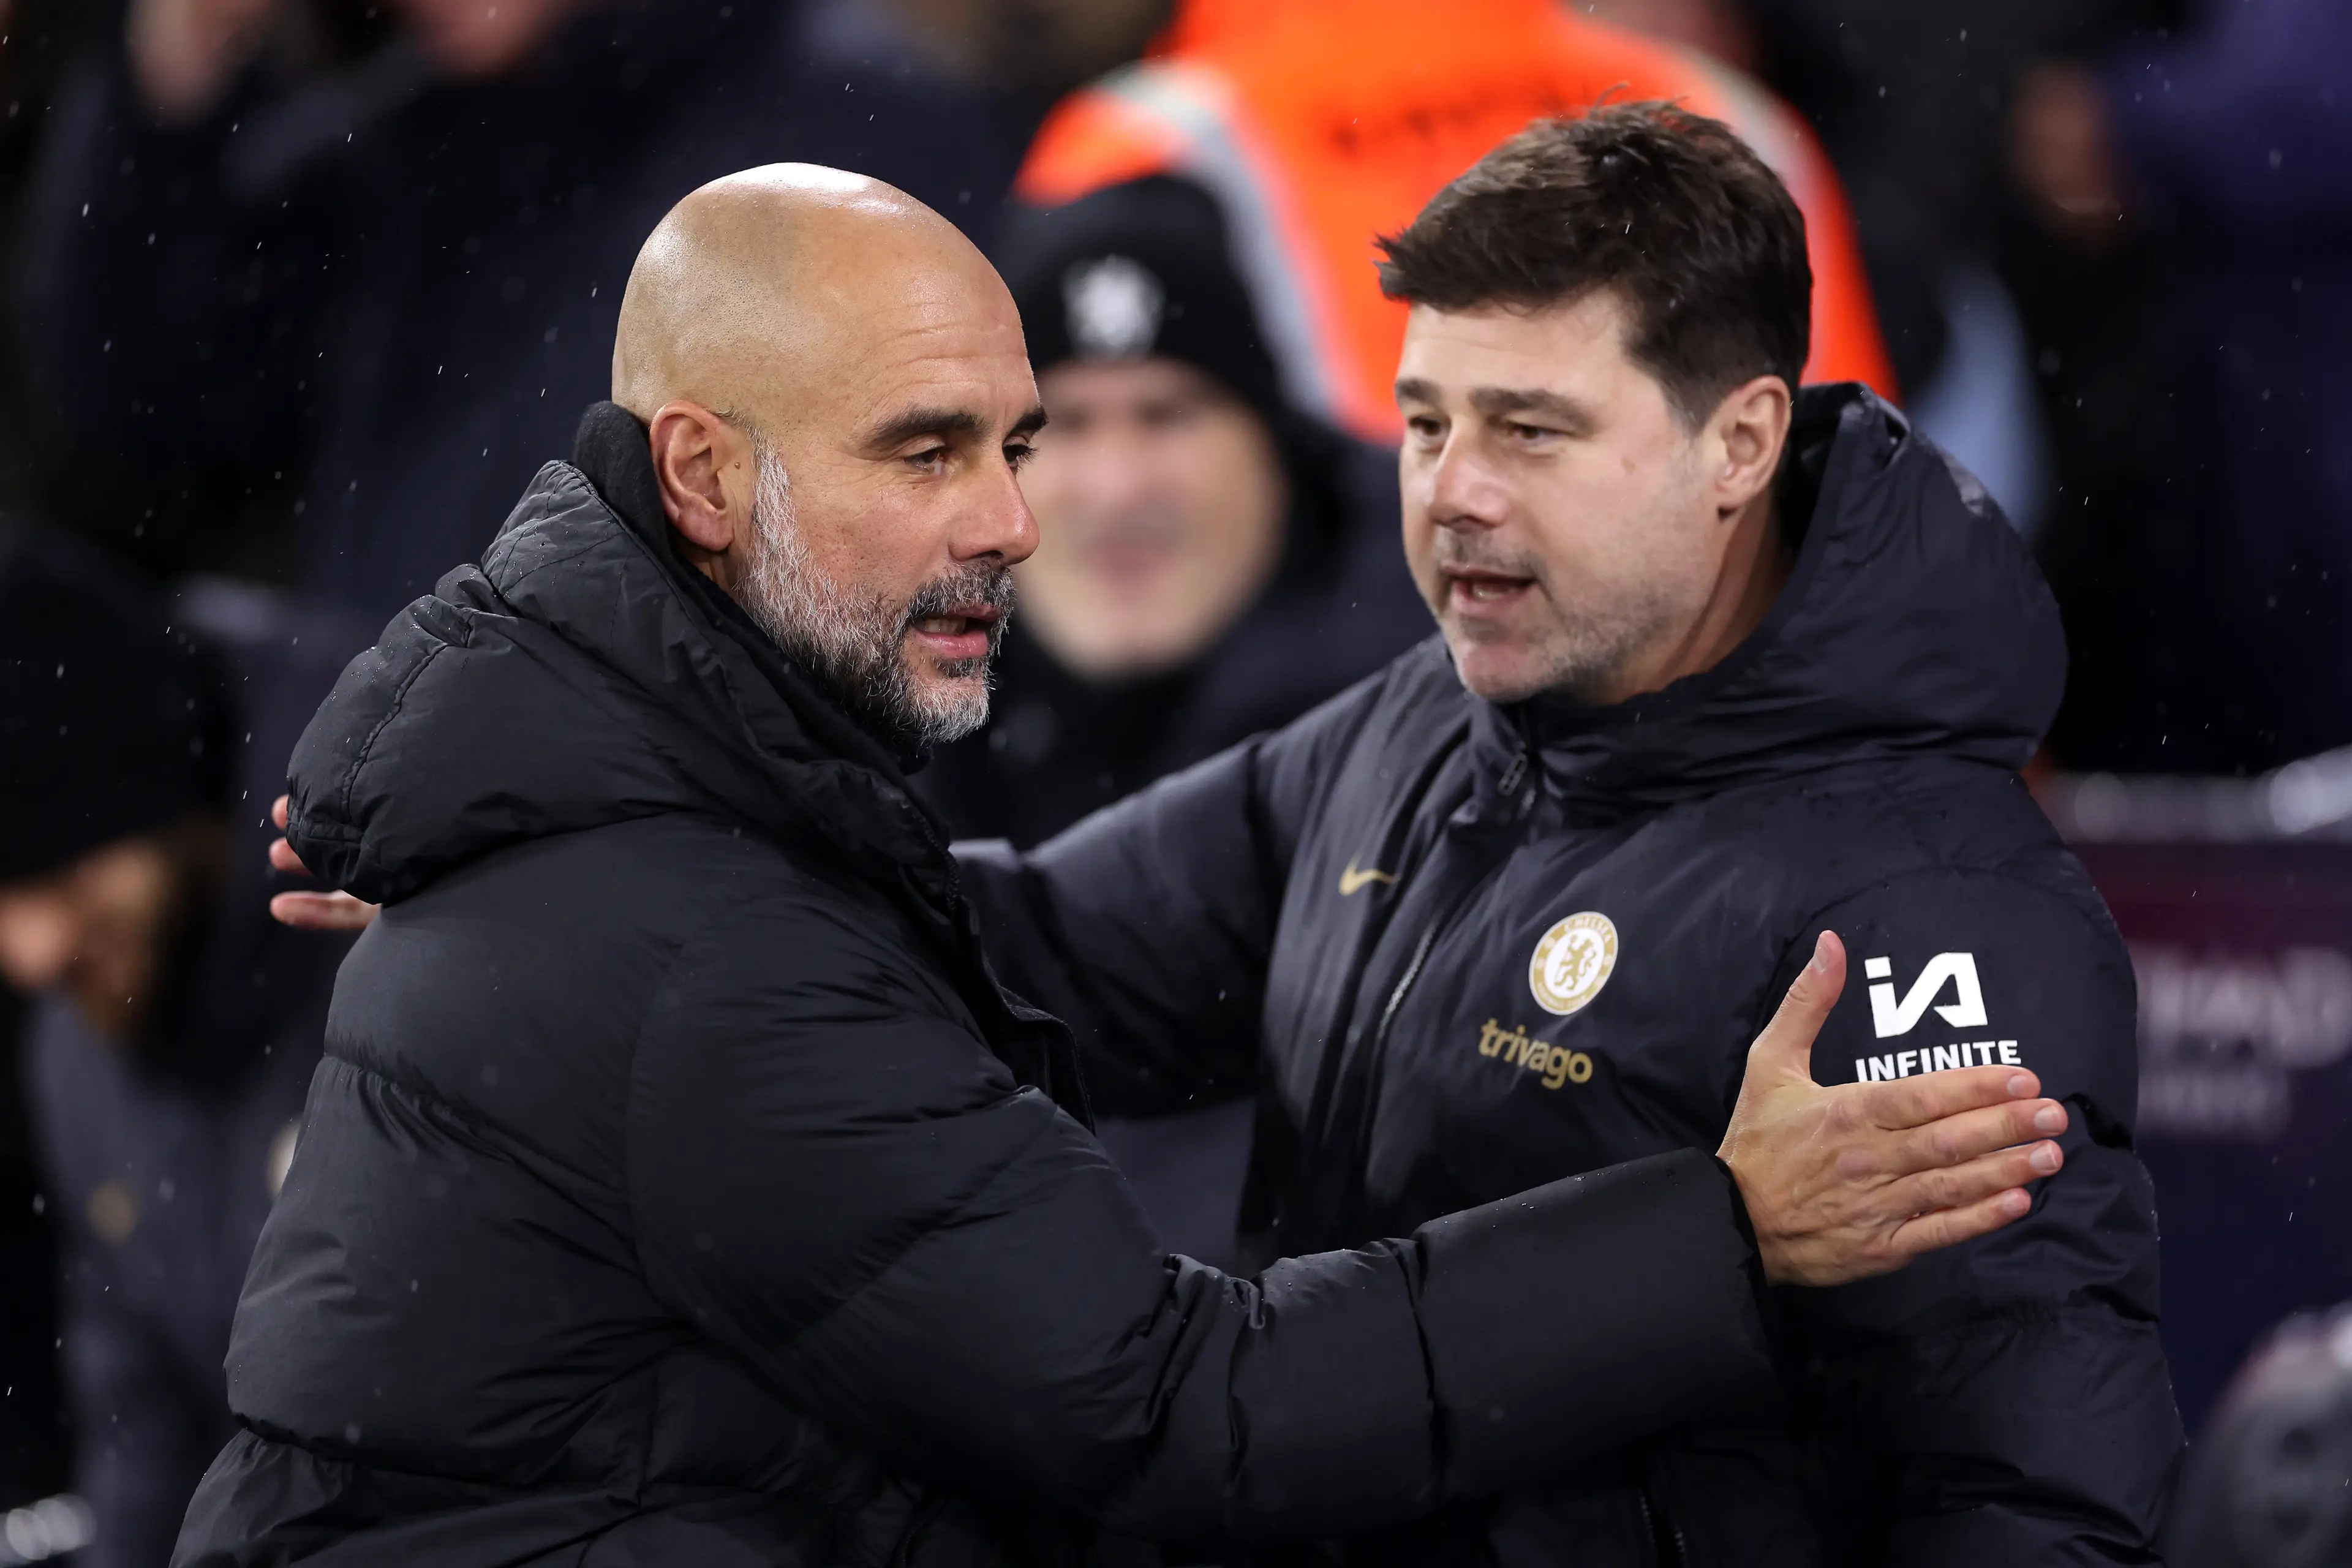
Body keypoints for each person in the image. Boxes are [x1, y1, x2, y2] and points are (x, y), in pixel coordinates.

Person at [197, 164, 2070, 1566]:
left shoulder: (677, 851)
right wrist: (1719, 1231)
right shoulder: (697, 935)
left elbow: (1055, 943)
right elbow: (1188, 1412)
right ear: (698, 479)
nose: (1022, 517)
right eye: (928, 452)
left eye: (1014, 443)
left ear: (1742, 444)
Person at [957, 105, 2182, 1563]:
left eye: (1530, 429)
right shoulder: (1417, 724)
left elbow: (2031, 1496)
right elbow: (1031, 951)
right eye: (1426, 423)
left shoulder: (1924, 906)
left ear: (1739, 441)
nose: (1453, 493)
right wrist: (741, 824)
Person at [1015, 0, 1896, 443]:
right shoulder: (1715, 106)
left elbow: (1069, 520)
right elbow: (1857, 486)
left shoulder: (1137, 143)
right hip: (1713, 695)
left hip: (1343, 708)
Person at [0, 521, 357, 1567]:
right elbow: (144, 1439)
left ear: (167, 786)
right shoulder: (81, 1052)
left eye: (62, 874)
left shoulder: (414, 909)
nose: (32, 952)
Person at [924, 172, 1427, 848]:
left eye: (1167, 416)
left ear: (1275, 449)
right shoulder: (881, 745)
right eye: (1065, 424)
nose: (1118, 486)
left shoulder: (1445, 722)